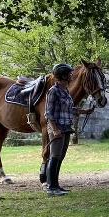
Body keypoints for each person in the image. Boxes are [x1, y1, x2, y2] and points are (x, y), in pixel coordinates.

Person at [43, 63, 88, 196]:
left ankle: (56, 185)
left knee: (60, 157)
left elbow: (69, 109)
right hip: (57, 128)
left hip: (66, 127)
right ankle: (51, 187)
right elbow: (48, 113)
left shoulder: (65, 91)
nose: (71, 76)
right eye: (69, 74)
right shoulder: (53, 91)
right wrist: (55, 129)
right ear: (63, 76)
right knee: (55, 156)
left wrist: (84, 111)